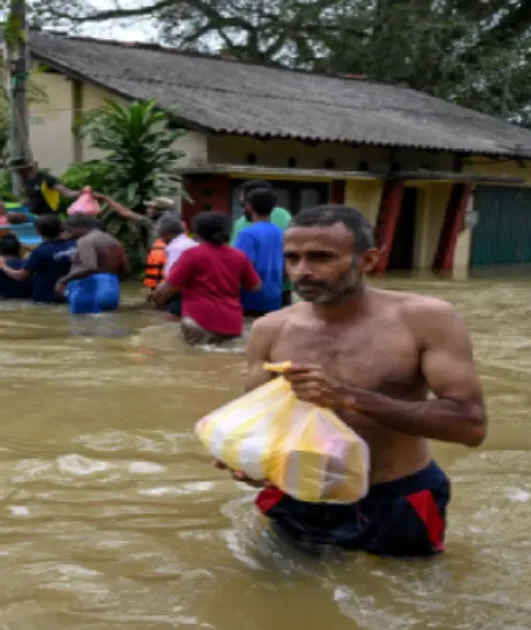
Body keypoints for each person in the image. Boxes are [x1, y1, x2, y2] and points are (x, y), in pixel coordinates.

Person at [214, 204, 487, 558]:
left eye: (321, 257)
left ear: (368, 261)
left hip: (396, 498)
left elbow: (470, 427)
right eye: (292, 258)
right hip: (297, 494)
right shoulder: (270, 329)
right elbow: (261, 422)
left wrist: (349, 397)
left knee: (401, 607)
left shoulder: (426, 319)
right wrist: (246, 460)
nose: (302, 271)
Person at [152, 211, 261, 345]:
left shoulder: (192, 254)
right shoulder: (239, 256)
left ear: (197, 233)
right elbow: (255, 286)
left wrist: (156, 295)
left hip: (199, 322)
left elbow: (170, 287)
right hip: (232, 323)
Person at [0, 214, 75, 304]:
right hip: (69, 294)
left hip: (46, 299)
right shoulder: (73, 245)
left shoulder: (40, 251)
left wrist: (2, 266)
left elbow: (21, 276)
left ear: (37, 231)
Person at [57, 215, 128, 314]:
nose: (68, 233)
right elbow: (126, 269)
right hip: (111, 289)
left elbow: (89, 267)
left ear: (80, 226)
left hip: (89, 289)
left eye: (69, 229)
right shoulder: (114, 241)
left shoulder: (86, 240)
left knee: (81, 326)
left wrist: (62, 281)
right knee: (106, 324)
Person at [234, 188, 285, 317]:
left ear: (249, 206)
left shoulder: (247, 234)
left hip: (249, 300)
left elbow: (242, 267)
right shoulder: (281, 233)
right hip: (275, 299)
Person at [149, 211, 196, 317]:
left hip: (184, 297)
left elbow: (174, 280)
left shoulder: (176, 248)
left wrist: (160, 298)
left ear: (164, 234)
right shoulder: (190, 243)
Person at [9, 158, 79, 216]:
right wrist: (22, 204)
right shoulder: (26, 181)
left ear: (24, 170)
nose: (17, 173)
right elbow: (33, 198)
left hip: (48, 216)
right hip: (33, 215)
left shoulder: (46, 179)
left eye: (18, 171)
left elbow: (66, 192)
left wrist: (80, 193)